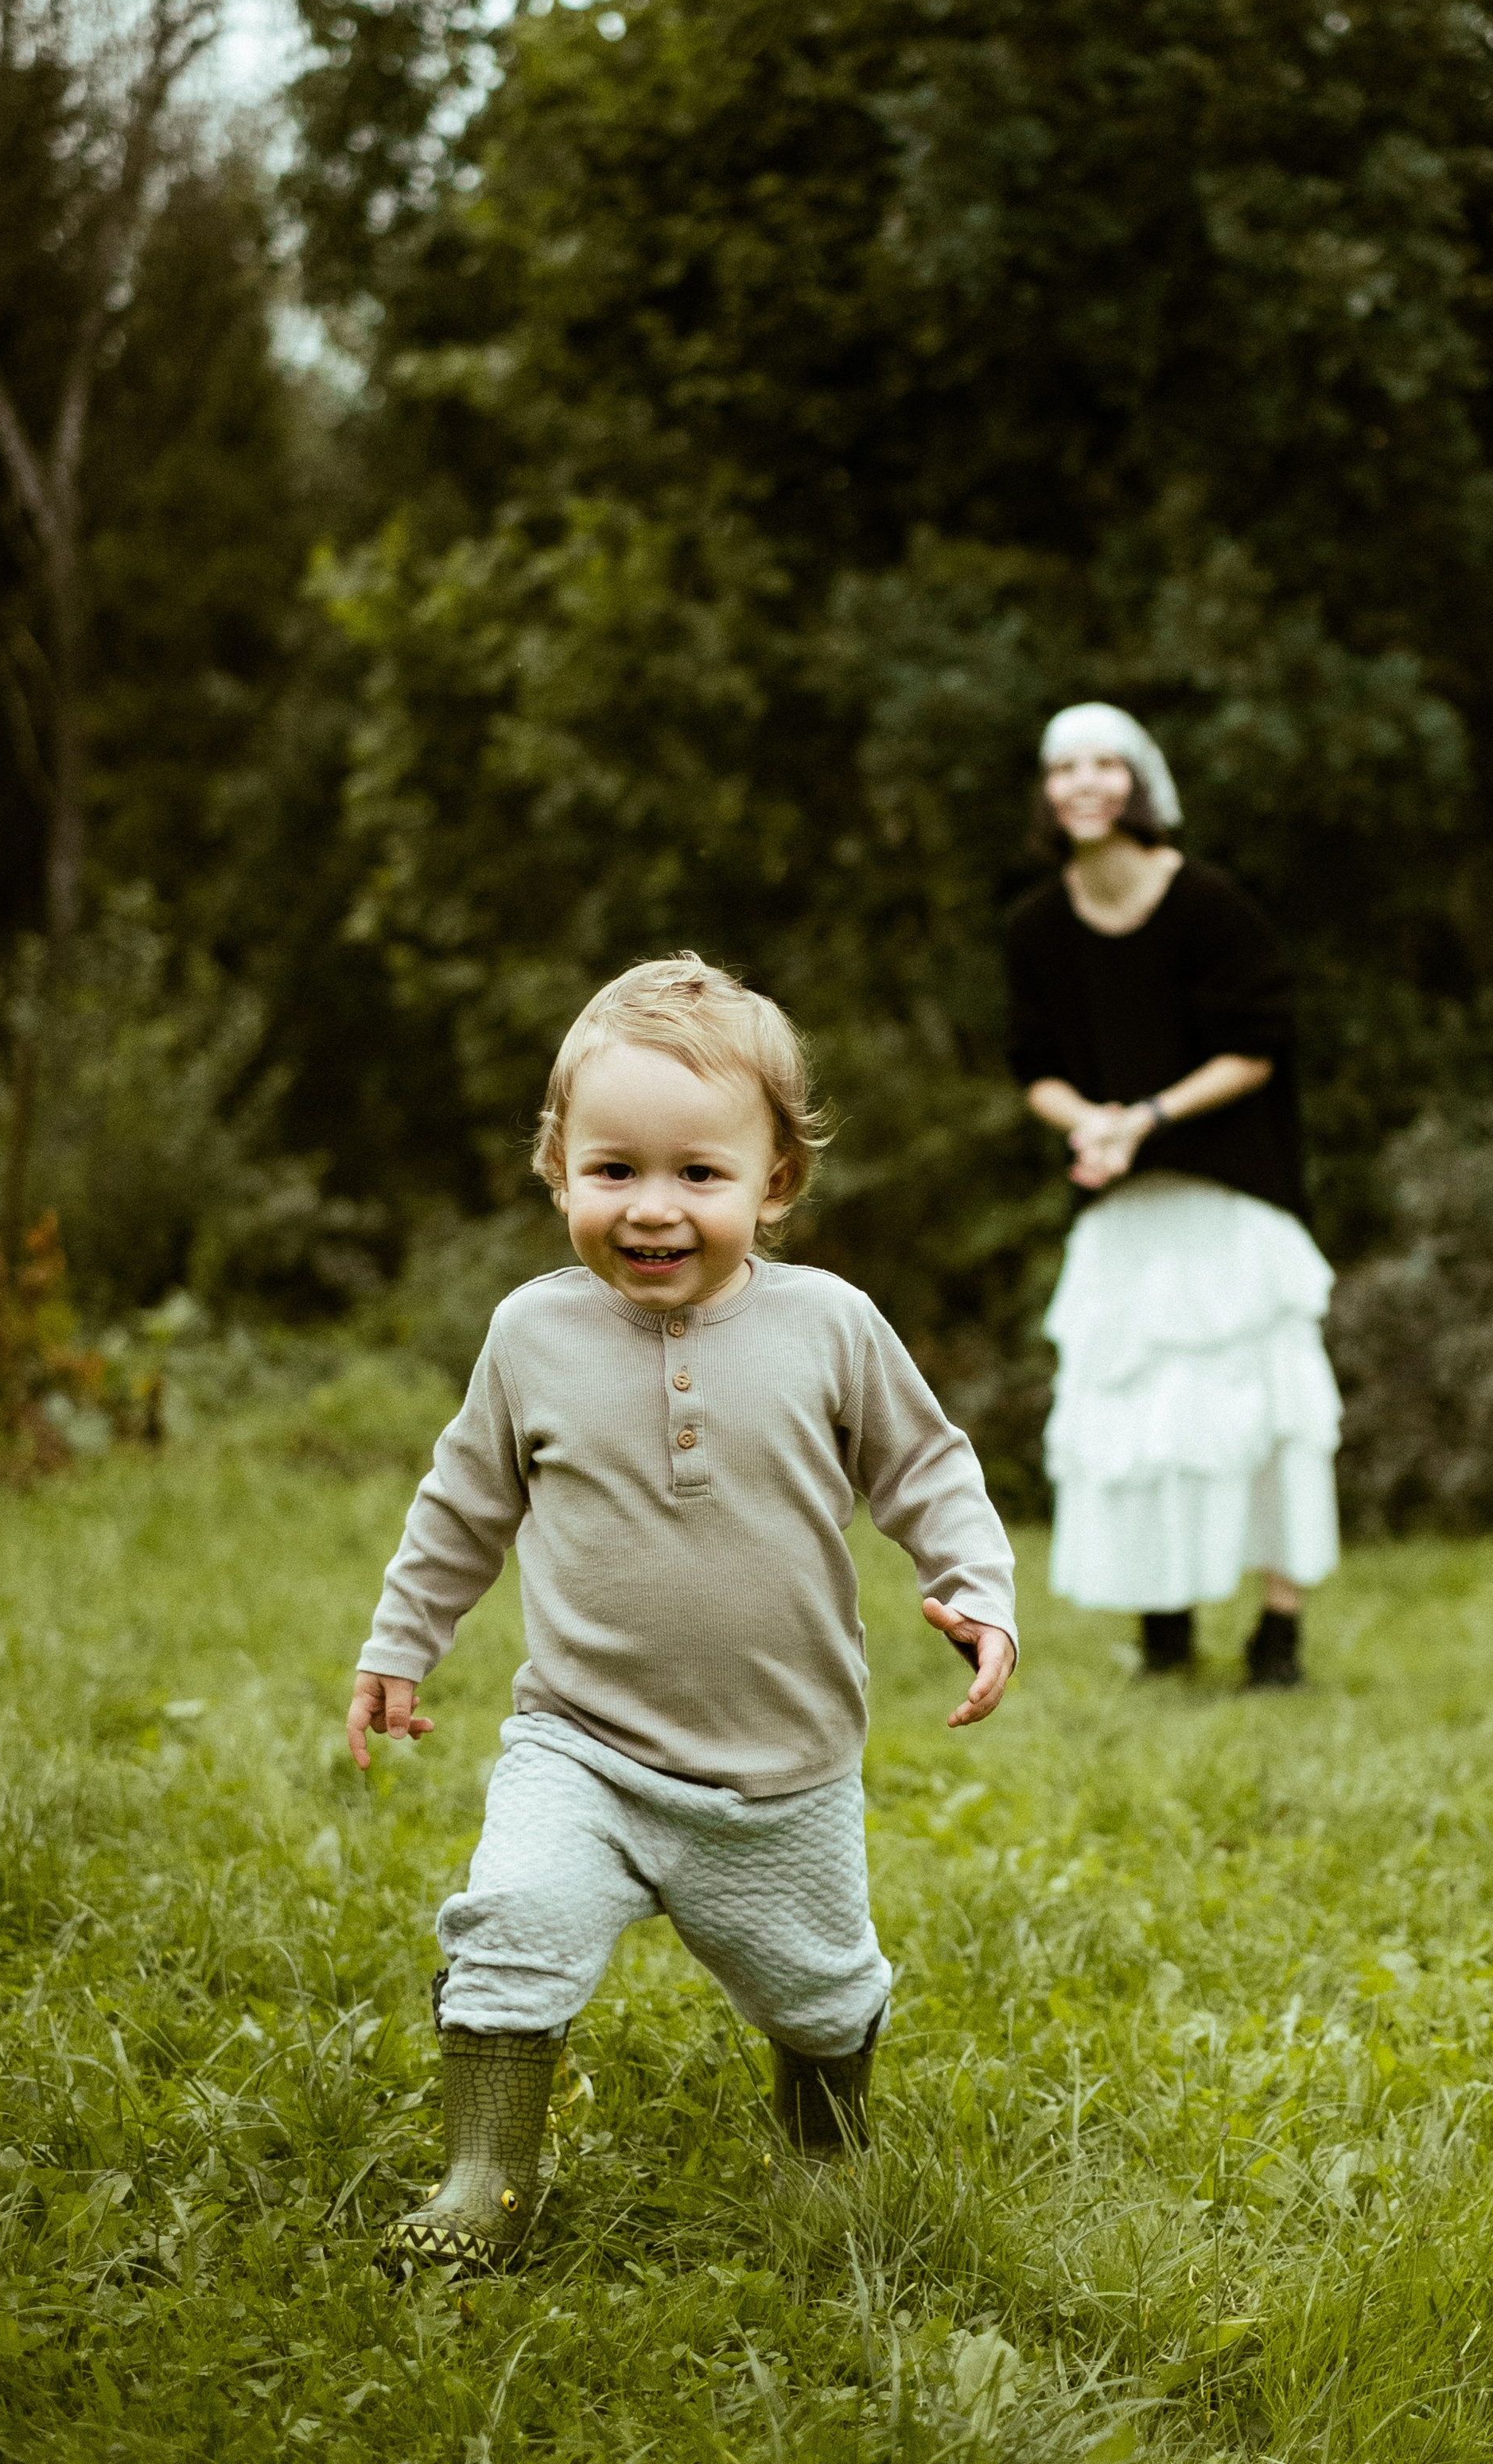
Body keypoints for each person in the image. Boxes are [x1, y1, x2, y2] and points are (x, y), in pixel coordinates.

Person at [346, 954, 1017, 2271]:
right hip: (581, 1746)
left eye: (698, 1174)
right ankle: (485, 2179)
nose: (652, 1208)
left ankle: (824, 2146)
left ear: (775, 1182)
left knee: (817, 1994)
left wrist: (980, 1591)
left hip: (780, 1768)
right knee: (512, 1921)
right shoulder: (531, 1336)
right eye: (614, 1169)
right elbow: (463, 1505)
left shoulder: (831, 1326)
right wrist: (399, 1644)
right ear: (559, 1168)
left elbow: (928, 1470)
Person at [1004, 702, 1341, 1687]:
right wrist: (1091, 1124)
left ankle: (1277, 1632)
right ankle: (1165, 1626)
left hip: (1229, 1192)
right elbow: (1033, 1066)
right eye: (1064, 766)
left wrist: (1146, 1117)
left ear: (1139, 782)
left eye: (1105, 763)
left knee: (1266, 1409)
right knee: (1140, 1419)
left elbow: (1256, 1047)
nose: (1084, 783)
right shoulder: (1034, 927)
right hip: (1123, 1206)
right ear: (1047, 792)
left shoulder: (1210, 904)